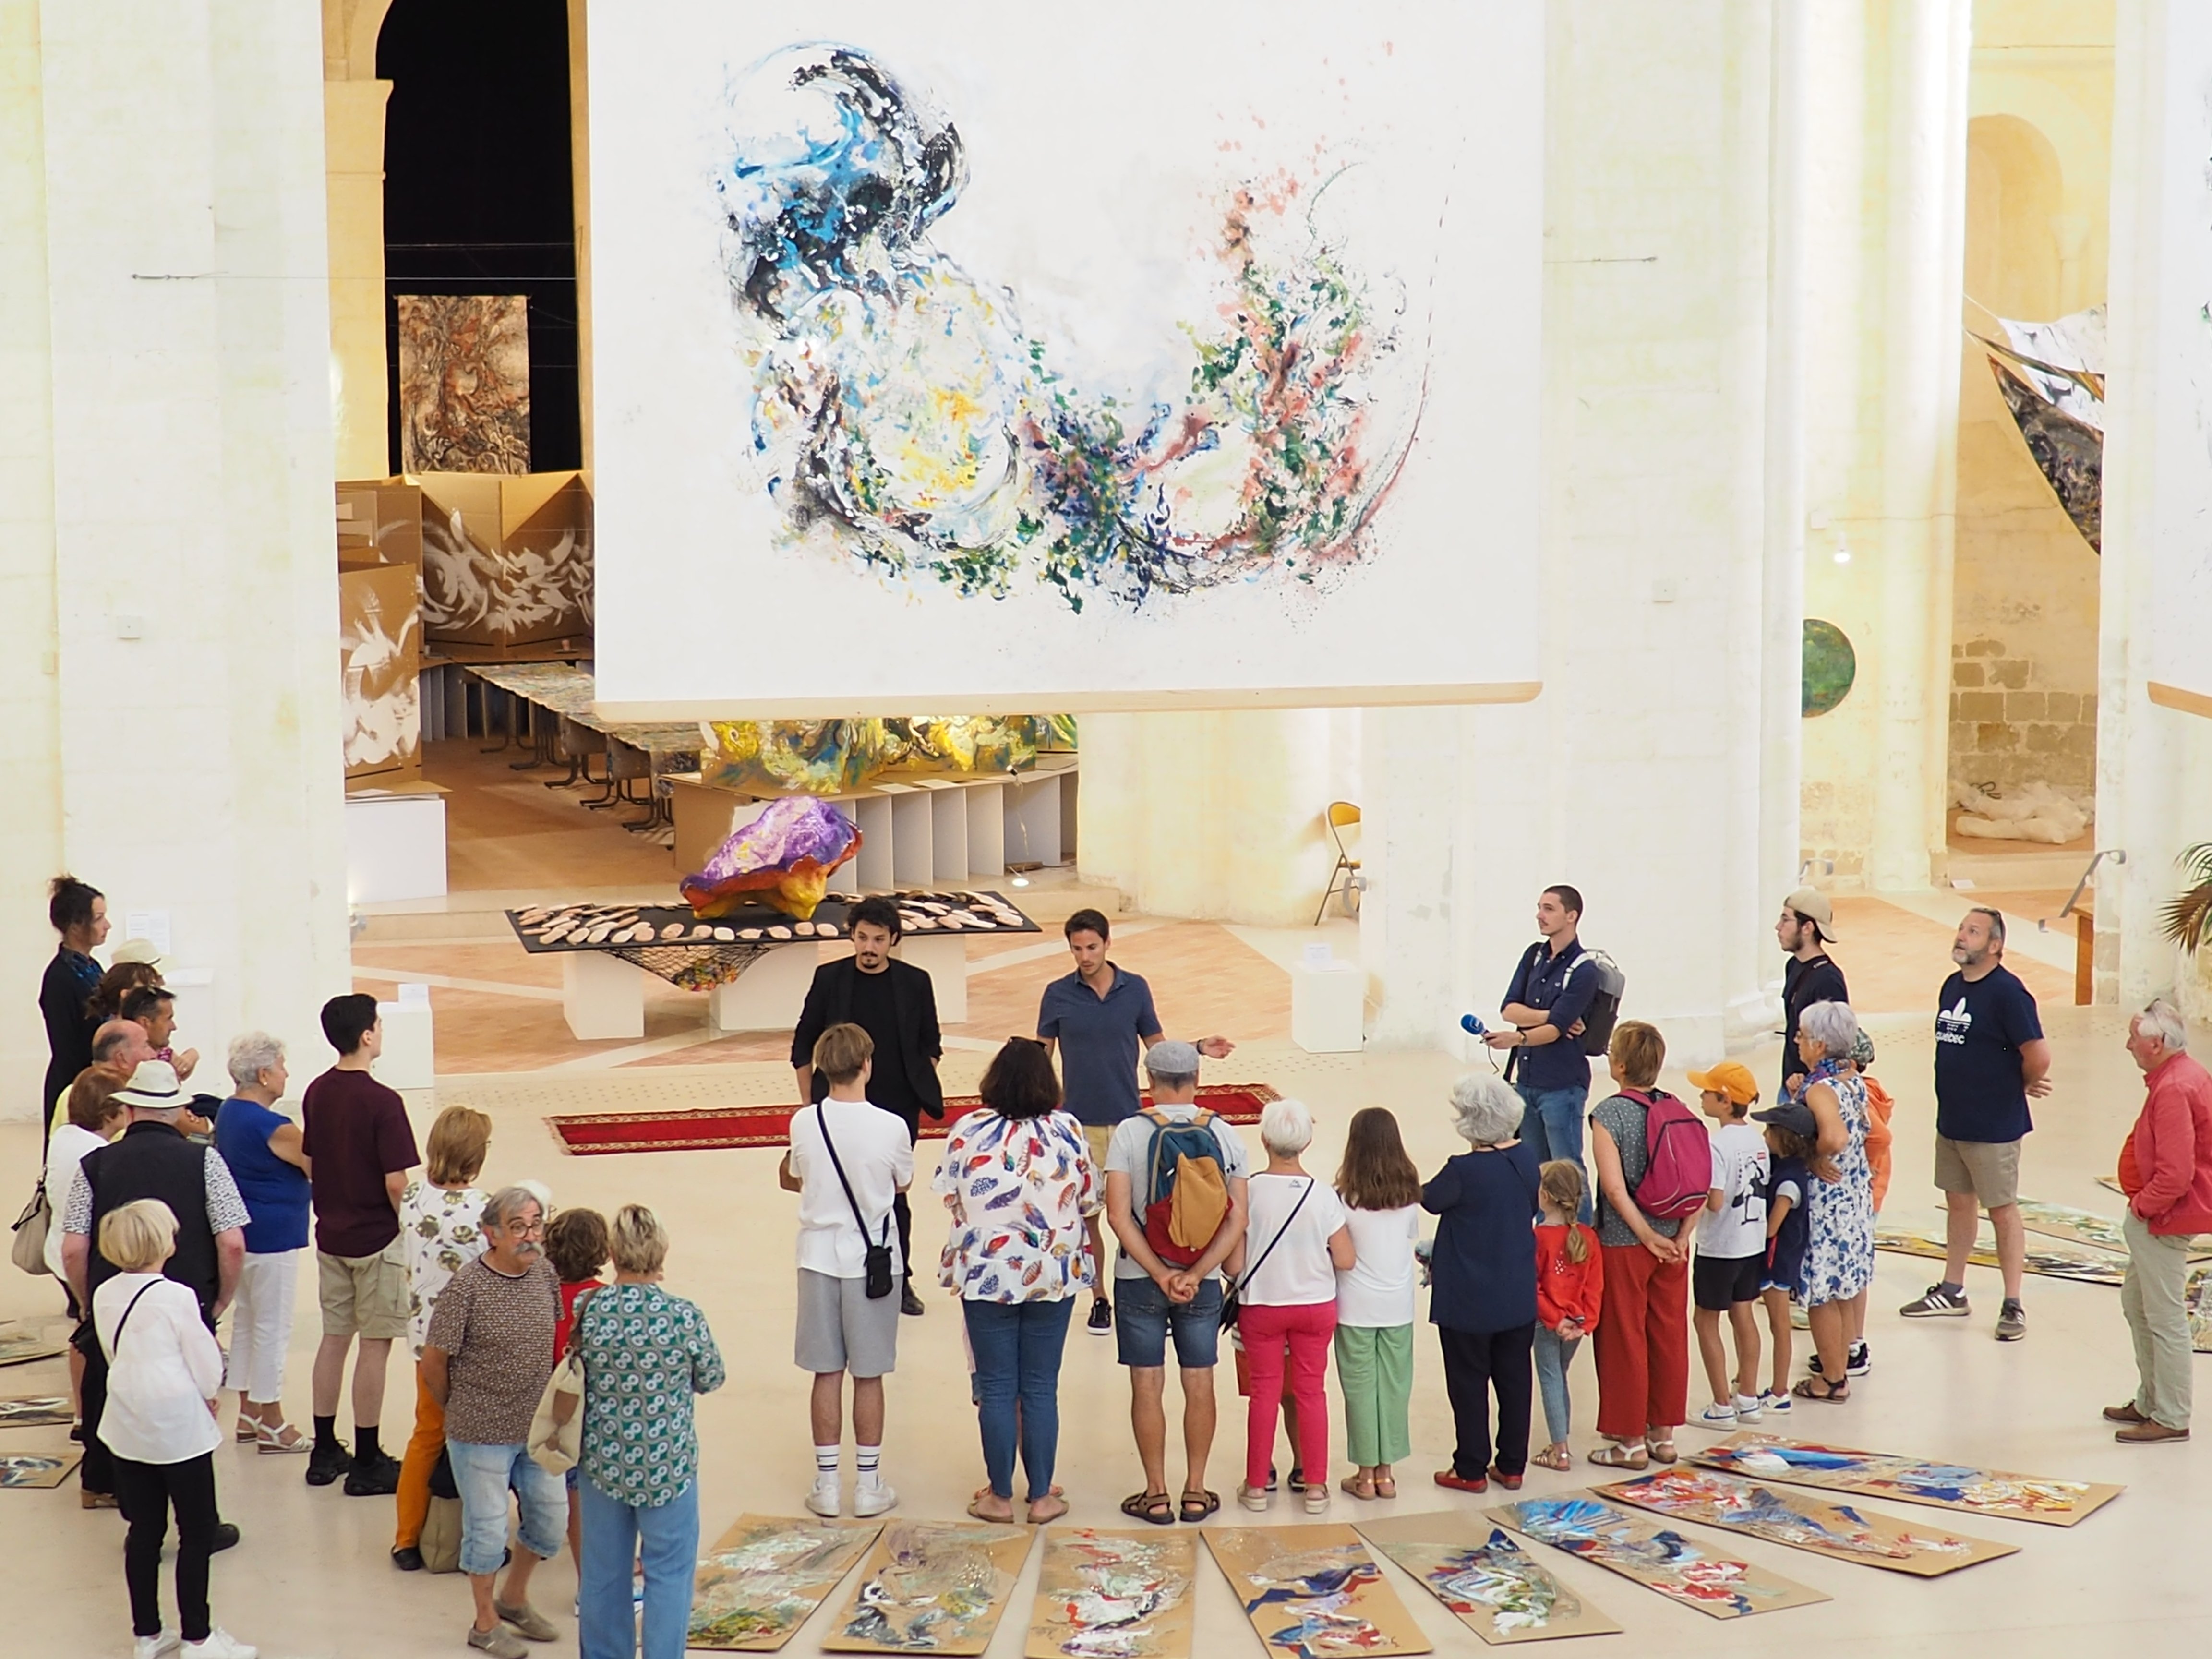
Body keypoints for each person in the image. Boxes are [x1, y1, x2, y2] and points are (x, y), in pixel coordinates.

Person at [60, 1060, 247, 1518]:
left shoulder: (94, 1164)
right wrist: (222, 1299)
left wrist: (87, 1303)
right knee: (186, 1399)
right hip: (188, 1295)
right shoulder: (206, 1160)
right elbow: (232, 1242)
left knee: (108, 1387)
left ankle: (104, 1486)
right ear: (179, 1110)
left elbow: (73, 1248)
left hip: (113, 1300)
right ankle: (195, 1516)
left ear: (128, 1111)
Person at [1037, 908, 1232, 1336]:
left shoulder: (1136, 989)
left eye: (1092, 947)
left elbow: (1157, 1049)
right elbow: (1041, 1057)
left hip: (1130, 1123)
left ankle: (1158, 1289)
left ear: (1108, 944)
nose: (1085, 956)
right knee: (1088, 1216)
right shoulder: (1057, 995)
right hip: (1079, 1126)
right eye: (1077, 949)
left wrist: (1198, 1047)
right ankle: (1099, 1297)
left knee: (1145, 1212)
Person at [935, 1037, 1097, 1525]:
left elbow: (950, 1193)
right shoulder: (1068, 1128)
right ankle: (1043, 1496)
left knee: (998, 1386)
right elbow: (1089, 1199)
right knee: (1042, 1386)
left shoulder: (968, 1129)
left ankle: (1000, 1496)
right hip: (1053, 1271)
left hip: (986, 1271)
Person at [92, 1200, 257, 1659]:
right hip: (177, 1426)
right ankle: (198, 1638)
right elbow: (205, 1363)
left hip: (126, 1421)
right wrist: (208, 1393)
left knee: (144, 1530)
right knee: (197, 1531)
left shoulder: (105, 1293)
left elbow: (112, 1351)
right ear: (161, 1242)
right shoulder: (177, 1297)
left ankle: (147, 1634)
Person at [1103, 1039, 1250, 1525]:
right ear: (1197, 1080)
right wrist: (1196, 1273)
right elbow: (1238, 1217)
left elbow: (1118, 1216)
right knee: (1199, 1378)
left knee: (1147, 1382)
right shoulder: (1224, 1132)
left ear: (1149, 1080)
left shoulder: (1130, 1132)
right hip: (1201, 1278)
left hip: (1140, 1277)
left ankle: (1156, 1493)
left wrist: (1160, 1272)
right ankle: (1196, 1490)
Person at [574, 1204, 724, 1659]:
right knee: (670, 1574)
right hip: (667, 1464)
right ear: (662, 1250)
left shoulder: (589, 1308)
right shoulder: (682, 1316)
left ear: (613, 1252)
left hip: (604, 1461)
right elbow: (711, 1377)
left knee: (604, 1574)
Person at [423, 1185, 565, 1659]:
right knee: (486, 1530)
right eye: (518, 1227)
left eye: (536, 1224)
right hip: (480, 1431)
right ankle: (485, 1623)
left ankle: (514, 1599)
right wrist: (457, 1409)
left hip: (535, 1428)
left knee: (550, 1520)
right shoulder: (467, 1288)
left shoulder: (545, 1272)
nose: (530, 1236)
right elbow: (434, 1362)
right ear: (491, 1234)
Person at [781, 1022, 913, 1519]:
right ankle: (870, 1484)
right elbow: (902, 1184)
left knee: (826, 1371)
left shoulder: (804, 1122)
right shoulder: (892, 1126)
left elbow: (795, 1175)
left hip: (817, 1257)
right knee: (869, 1374)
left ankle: (828, 1484)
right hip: (872, 1261)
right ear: (867, 1066)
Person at [1900, 908, 2051, 1342]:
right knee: (1958, 1202)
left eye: (1973, 931)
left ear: (1995, 945)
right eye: (1961, 929)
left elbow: (2038, 1056)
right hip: (1953, 1120)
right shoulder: (1951, 986)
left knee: (2001, 1209)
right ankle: (1953, 1288)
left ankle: (2013, 1302)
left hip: (1993, 1125)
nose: (1962, 936)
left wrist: (2018, 1085)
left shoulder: (2008, 994)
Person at [791, 895, 945, 1316]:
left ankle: (899, 1278)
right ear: (852, 937)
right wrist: (809, 1104)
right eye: (862, 938)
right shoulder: (830, 978)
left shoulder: (915, 982)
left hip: (897, 1109)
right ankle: (834, 1272)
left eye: (878, 939)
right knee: (835, 1187)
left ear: (893, 939)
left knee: (894, 1196)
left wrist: (916, 1083)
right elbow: (803, 1043)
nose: (869, 948)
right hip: (837, 1103)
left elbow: (930, 1044)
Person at [301, 992, 420, 1494]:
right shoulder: (383, 1102)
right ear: (367, 1035)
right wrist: (409, 1226)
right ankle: (368, 1457)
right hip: (376, 1238)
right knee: (375, 1345)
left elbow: (313, 1160)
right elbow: (396, 1181)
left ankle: (325, 1448)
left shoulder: (317, 1091)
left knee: (334, 1338)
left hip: (331, 1234)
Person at [1423, 1073, 1542, 1492]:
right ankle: (1512, 1465)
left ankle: (1470, 1467)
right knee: (1515, 1381)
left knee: (1468, 1383)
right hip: (1517, 1293)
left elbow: (1429, 1199)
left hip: (1469, 1300)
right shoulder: (1527, 1159)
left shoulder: (1463, 1170)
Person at [1232, 1099, 1351, 1516]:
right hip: (1315, 1307)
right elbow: (1345, 1258)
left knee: (1264, 1392)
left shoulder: (1248, 1192)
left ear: (1264, 1139)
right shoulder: (1323, 1196)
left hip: (1262, 1306)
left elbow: (1234, 1263)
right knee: (1311, 1392)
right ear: (1308, 1142)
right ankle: (1315, 1486)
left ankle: (1256, 1488)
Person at [392, 1105, 494, 1572]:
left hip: (425, 1339)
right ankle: (477, 1537)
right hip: (472, 1346)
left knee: (427, 1434)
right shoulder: (485, 1208)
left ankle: (407, 1537)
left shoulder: (414, 1196)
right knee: (480, 1442)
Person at [1586, 1022, 1691, 1469]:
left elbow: (1613, 1188)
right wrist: (1681, 1235)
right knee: (1669, 1334)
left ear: (1621, 1066)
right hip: (1675, 1244)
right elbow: (1699, 1181)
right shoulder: (1678, 1108)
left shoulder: (1608, 1114)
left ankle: (1628, 1441)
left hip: (1624, 1243)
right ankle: (1662, 1436)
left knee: (1624, 1338)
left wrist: (1644, 1235)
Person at [2107, 1000, 2212, 1445]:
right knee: (2137, 1302)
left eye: (2134, 1038)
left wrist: (2143, 1208)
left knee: (2164, 1317)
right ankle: (2151, 1400)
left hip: (2165, 1218)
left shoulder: (2173, 1089)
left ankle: (2170, 1415)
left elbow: (2175, 1174)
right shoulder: (2182, 1075)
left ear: (2156, 1044)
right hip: (2162, 1215)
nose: (2128, 1045)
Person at [210, 1032, 312, 1452]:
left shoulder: (229, 1112)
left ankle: (248, 1414)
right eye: (282, 1066)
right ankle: (273, 1420)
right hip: (275, 1237)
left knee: (249, 1323)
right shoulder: (275, 1126)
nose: (287, 1073)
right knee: (273, 1328)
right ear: (266, 1075)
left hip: (242, 1234)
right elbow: (314, 1163)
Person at [1483, 885, 1599, 1223]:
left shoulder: (1584, 970)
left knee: (1568, 1169)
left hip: (1562, 1087)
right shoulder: (1533, 955)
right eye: (1539, 907)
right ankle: (1545, 1234)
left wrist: (1520, 1037)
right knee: (1536, 1170)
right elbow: (1509, 1008)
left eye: (1549, 909)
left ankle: (1581, 1237)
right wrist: (1555, 1015)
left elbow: (1554, 1032)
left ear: (1571, 916)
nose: (1540, 915)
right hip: (1528, 1083)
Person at [1331, 1107, 1422, 1501]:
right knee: (1395, 1388)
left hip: (1354, 1306)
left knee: (1360, 1390)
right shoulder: (1409, 1195)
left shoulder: (1342, 1198)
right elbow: (1409, 1240)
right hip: (1397, 1305)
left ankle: (1364, 1475)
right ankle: (1387, 1474)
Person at [1788, 1001, 1875, 1401]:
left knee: (1822, 1293)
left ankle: (1833, 1378)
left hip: (1828, 1204)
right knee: (1842, 1289)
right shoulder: (1850, 1077)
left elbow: (1835, 1137)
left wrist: (1812, 1156)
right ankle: (1839, 1366)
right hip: (1853, 1196)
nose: (1797, 1041)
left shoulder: (1822, 1089)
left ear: (1819, 1045)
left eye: (1803, 1036)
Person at [1685, 1060, 1768, 1426]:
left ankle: (1721, 1405)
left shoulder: (1716, 1145)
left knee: (1705, 1319)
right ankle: (1748, 1397)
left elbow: (1716, 1201)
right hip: (1751, 1242)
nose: (1701, 1097)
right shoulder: (1757, 1140)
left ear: (1724, 1101)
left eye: (1707, 1092)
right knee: (1744, 1314)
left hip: (1720, 1246)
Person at [44, 1070, 126, 1433]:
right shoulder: (97, 1155)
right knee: (95, 1335)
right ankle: (98, 1412)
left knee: (82, 1332)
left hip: (59, 1247)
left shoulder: (63, 1138)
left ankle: (82, 1413)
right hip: (85, 1255)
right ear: (109, 1114)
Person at [547, 1205, 610, 1573]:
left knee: (563, 1491)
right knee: (584, 1498)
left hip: (550, 1409)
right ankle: (591, 1577)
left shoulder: (542, 1294)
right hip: (592, 1413)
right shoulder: (605, 1300)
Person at [1531, 1160, 1602, 1470]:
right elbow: (1595, 1287)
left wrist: (1554, 1318)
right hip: (1576, 1323)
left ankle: (1560, 1451)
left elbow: (1532, 1286)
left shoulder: (1538, 1237)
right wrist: (1586, 1323)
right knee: (1560, 1375)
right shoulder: (1588, 1236)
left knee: (1550, 1377)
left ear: (1545, 1196)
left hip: (1548, 1321)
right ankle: (1561, 1441)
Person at [1750, 1106, 1814, 1415]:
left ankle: (1779, 1392)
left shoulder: (1789, 1182)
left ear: (1785, 1138)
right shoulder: (1787, 1168)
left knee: (1780, 1326)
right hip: (1777, 1261)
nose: (1764, 1136)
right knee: (1777, 1326)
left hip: (1778, 1264)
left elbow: (1771, 1228)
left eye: (1769, 1131)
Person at [39, 874, 107, 1140]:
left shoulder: (92, 967)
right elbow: (66, 1046)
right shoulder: (60, 978)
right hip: (76, 1085)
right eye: (99, 918)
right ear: (77, 925)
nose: (107, 925)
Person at [1775, 888, 1848, 1098]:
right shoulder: (1793, 966)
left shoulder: (1828, 980)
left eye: (1786, 920)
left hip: (1814, 1095)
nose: (1778, 927)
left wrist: (1810, 1083)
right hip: (1790, 1087)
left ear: (1807, 927)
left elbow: (1836, 1047)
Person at [48, 1015, 154, 1141]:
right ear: (122, 1059)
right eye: (146, 1046)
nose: (153, 1055)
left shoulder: (70, 1092)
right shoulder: (110, 1098)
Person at [121, 985, 200, 1089]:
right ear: (145, 1022)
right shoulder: (127, 1059)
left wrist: (192, 1056)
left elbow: (179, 1072)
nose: (174, 1027)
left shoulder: (160, 1050)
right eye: (168, 1019)